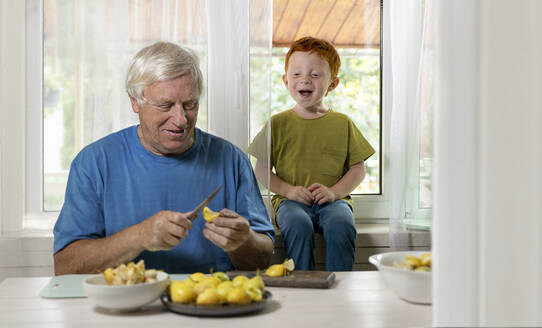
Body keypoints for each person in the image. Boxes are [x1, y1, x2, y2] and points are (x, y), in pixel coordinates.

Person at [53, 41, 275, 275]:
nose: (180, 120)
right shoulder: (93, 163)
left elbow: (262, 258)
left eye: (189, 104)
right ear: (134, 102)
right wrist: (139, 236)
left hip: (210, 305)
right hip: (126, 305)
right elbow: (66, 266)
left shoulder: (232, 160)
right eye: (165, 105)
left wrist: (244, 241)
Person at [248, 37, 375, 271]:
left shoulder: (342, 123)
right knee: (297, 225)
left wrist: (334, 193)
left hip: (334, 203)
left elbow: (358, 170)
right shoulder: (277, 124)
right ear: (286, 81)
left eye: (315, 75)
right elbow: (262, 170)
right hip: (290, 203)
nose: (305, 79)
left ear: (333, 83)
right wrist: (289, 191)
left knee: (341, 225)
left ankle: (340, 286)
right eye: (296, 74)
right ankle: (302, 283)